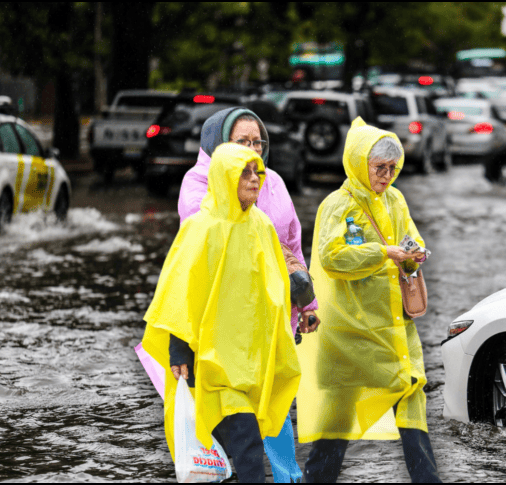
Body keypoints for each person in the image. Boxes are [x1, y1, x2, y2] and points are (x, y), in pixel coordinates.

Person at [142, 143, 301, 483]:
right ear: (224, 175)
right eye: (244, 172)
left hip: (254, 358)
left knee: (241, 443)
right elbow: (180, 295)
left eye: (257, 171)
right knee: (246, 441)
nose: (254, 179)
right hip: (215, 361)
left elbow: (273, 290)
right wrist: (179, 349)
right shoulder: (201, 228)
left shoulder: (261, 225)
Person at [297, 117, 441, 483]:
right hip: (353, 333)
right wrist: (384, 253)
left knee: (412, 402)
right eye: (380, 167)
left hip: (396, 330)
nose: (387, 175)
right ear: (360, 163)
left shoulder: (395, 199)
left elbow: (410, 238)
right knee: (337, 426)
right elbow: (331, 258)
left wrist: (414, 252)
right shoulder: (337, 205)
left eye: (394, 167)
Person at [177, 107, 318, 483]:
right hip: (226, 326)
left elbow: (292, 243)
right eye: (243, 142)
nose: (254, 151)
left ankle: (288, 477)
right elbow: (193, 271)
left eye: (258, 142)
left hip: (272, 314)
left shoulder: (271, 181)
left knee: (276, 401)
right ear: (220, 146)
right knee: (238, 422)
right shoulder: (198, 190)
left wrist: (307, 301)